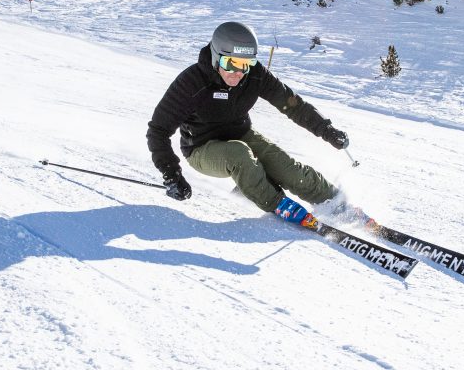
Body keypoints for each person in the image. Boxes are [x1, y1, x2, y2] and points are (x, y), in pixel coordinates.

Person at [146, 21, 350, 228]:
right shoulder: (192, 83)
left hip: (241, 134)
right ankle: (278, 203)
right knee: (240, 155)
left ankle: (335, 202)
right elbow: (158, 131)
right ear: (216, 57)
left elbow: (292, 104)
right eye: (231, 63)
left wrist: (326, 129)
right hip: (200, 148)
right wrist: (172, 174)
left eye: (246, 64)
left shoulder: (254, 75)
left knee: (286, 168)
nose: (238, 72)